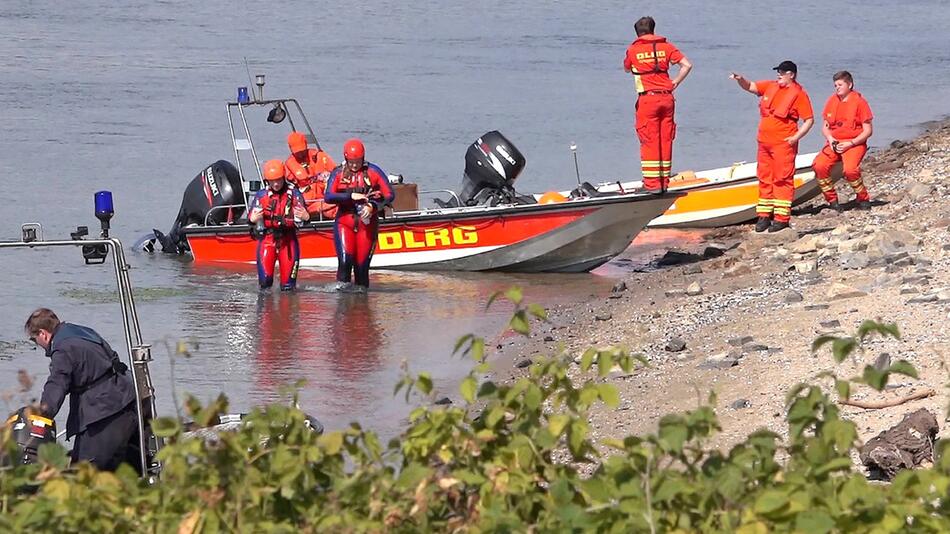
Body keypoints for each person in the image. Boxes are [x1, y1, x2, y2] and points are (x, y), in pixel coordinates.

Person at [25, 308, 139, 472]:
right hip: (126, 398)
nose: (38, 345)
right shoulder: (82, 332)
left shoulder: (63, 349)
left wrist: (41, 416)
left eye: (34, 339)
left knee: (85, 472)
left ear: (43, 334)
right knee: (127, 463)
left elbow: (56, 385)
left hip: (104, 411)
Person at [730, 60, 814, 232]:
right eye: (778, 72)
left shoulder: (799, 94)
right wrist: (741, 79)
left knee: (782, 178)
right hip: (764, 142)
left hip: (783, 143)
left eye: (783, 72)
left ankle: (781, 218)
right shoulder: (771, 86)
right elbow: (751, 86)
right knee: (764, 177)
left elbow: (809, 120)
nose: (779, 75)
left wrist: (796, 137)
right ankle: (764, 216)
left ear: (792, 74)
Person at [623, 16, 693, 194]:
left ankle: (652, 185)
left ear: (637, 32)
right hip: (667, 98)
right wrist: (675, 82)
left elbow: (627, 68)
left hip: (648, 99)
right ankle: (664, 182)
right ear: (653, 30)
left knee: (649, 140)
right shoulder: (666, 47)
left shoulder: (633, 50)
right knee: (666, 139)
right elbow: (687, 65)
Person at [324, 138, 394, 289]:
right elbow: (328, 196)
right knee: (345, 262)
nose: (355, 165)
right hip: (344, 221)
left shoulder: (373, 171)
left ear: (363, 158)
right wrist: (349, 196)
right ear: (345, 159)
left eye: (358, 161)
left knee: (361, 267)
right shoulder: (338, 173)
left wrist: (373, 206)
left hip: (367, 222)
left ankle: (361, 305)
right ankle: (342, 303)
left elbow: (389, 194)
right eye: (351, 161)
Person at [812, 71, 874, 211]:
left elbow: (868, 131)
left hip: (854, 143)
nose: (837, 88)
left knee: (850, 170)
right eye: (835, 85)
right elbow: (825, 128)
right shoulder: (832, 101)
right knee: (819, 166)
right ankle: (832, 201)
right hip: (835, 143)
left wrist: (851, 143)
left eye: (840, 85)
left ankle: (863, 198)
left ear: (849, 85)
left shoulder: (860, 103)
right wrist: (831, 139)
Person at [249, 159, 310, 290]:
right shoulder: (262, 196)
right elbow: (251, 217)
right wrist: (252, 219)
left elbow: (304, 218)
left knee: (288, 286)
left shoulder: (294, 194)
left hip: (288, 240)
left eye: (278, 180)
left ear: (283, 178)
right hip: (267, 240)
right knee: (265, 283)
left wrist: (306, 216)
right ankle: (265, 309)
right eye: (272, 181)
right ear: (267, 181)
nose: (276, 184)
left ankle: (288, 309)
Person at [284, 131, 337, 219]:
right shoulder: (289, 166)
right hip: (307, 204)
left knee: (336, 209)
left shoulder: (320, 156)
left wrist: (327, 177)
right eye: (297, 152)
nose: (300, 154)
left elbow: (337, 174)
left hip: (326, 198)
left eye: (302, 150)